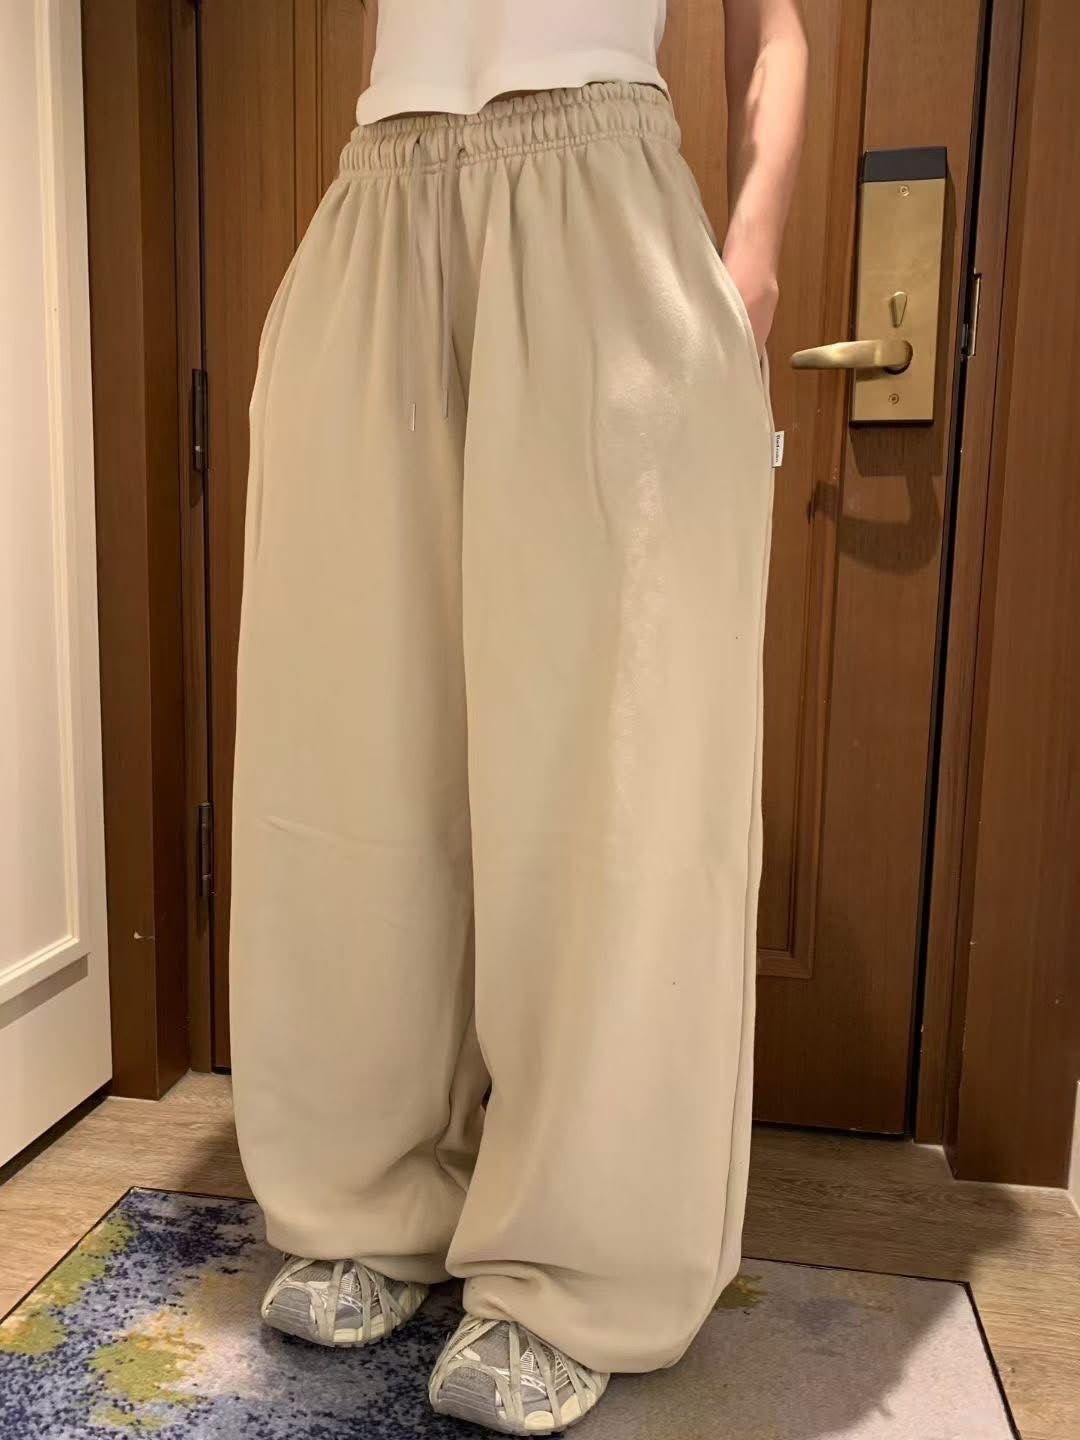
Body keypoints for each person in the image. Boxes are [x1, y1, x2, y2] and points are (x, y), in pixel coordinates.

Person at [228, 0, 808, 1431]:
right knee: (351, 752)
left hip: (605, 204)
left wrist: (750, 259)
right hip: (379, 203)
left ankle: (580, 1263)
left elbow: (778, 32)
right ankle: (371, 1199)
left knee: (610, 778)